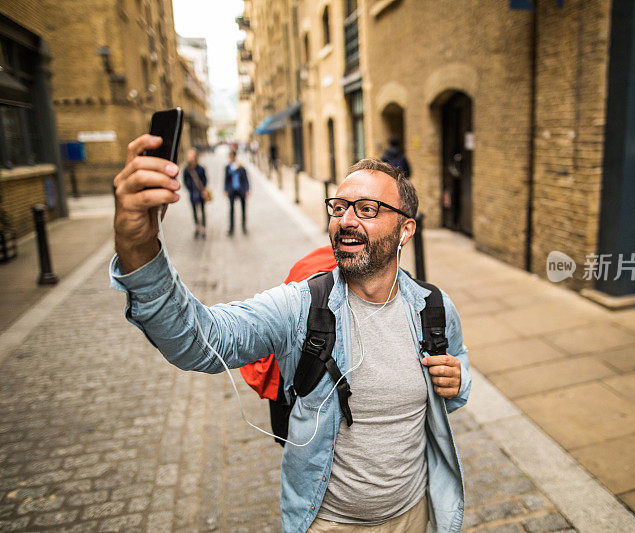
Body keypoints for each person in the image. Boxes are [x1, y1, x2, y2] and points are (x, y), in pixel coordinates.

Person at [110, 134, 470, 532]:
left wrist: (457, 380)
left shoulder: (433, 309)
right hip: (330, 523)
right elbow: (198, 341)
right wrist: (140, 250)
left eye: (367, 209)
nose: (346, 220)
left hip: (415, 516)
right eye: (339, 207)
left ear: (405, 231)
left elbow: (458, 374)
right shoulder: (300, 307)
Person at [182, 148, 208, 239]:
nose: (190, 157)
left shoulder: (200, 168)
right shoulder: (186, 169)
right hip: (192, 193)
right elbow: (185, 181)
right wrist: (190, 189)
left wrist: (203, 189)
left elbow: (205, 180)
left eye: (192, 155)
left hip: (201, 193)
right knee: (194, 211)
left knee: (202, 210)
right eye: (189, 155)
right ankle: (197, 227)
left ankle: (203, 228)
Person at [225, 149, 250, 235]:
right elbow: (226, 180)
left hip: (241, 190)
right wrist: (226, 189)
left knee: (243, 209)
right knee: (231, 209)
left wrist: (247, 189)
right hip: (232, 190)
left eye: (231, 156)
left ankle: (244, 226)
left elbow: (245, 179)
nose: (230, 158)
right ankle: (231, 228)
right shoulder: (228, 167)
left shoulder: (241, 167)